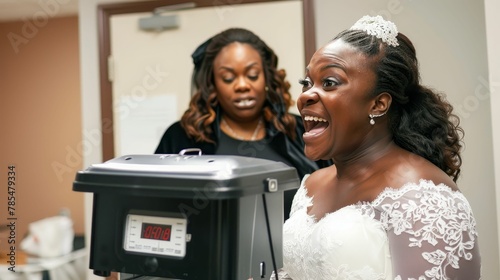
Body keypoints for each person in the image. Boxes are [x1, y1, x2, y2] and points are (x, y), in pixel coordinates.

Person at [274, 15, 481, 279]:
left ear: (378, 104)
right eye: (307, 83)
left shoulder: (423, 197)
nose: (305, 96)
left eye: (329, 82)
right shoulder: (311, 186)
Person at [154, 28, 332, 220]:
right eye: (228, 78)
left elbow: (336, 193)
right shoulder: (182, 136)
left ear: (266, 78)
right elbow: (159, 206)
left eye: (253, 75)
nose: (242, 85)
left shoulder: (301, 130)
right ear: (212, 85)